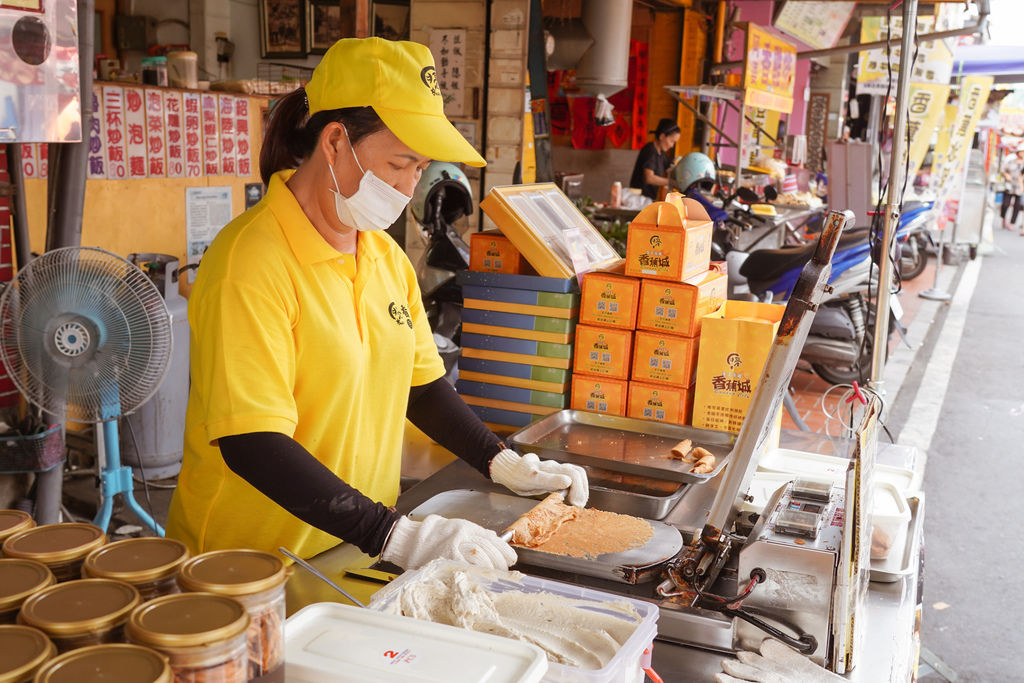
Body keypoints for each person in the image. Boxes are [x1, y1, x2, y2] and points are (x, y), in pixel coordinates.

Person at [165, 38, 588, 572]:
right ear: (335, 141)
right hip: (249, 568)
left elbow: (422, 389)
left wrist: (499, 460)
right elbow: (251, 440)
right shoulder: (249, 261)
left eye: (420, 167)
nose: (409, 186)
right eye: (398, 163)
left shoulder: (383, 255)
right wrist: (394, 535)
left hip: (346, 553)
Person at [629, 118, 681, 200]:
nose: (672, 146)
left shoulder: (661, 154)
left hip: (648, 199)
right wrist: (672, 183)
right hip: (638, 199)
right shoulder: (650, 150)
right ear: (662, 136)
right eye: (672, 141)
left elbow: (670, 168)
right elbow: (649, 178)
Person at [999, 145, 1024, 233]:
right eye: (1021, 151)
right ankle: (1003, 217)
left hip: (1019, 187)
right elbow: (1003, 170)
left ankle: (1012, 223)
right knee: (1005, 204)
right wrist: (1006, 175)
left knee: (1017, 206)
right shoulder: (1011, 162)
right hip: (1009, 186)